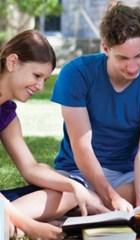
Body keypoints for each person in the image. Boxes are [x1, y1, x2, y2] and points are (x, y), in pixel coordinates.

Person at [51, 2, 140, 212]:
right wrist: (112, 198)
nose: (132, 67)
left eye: (139, 56)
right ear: (105, 48)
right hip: (78, 170)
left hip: (126, 175)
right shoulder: (76, 73)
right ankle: (89, 205)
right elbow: (82, 148)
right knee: (61, 192)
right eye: (122, 58)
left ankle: (83, 208)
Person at [0, 30, 108, 239]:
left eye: (45, 79)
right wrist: (31, 227)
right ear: (12, 62)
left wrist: (74, 186)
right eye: (36, 75)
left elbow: (30, 168)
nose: (40, 87)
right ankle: (12, 223)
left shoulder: (7, 115)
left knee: (69, 195)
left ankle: (8, 222)